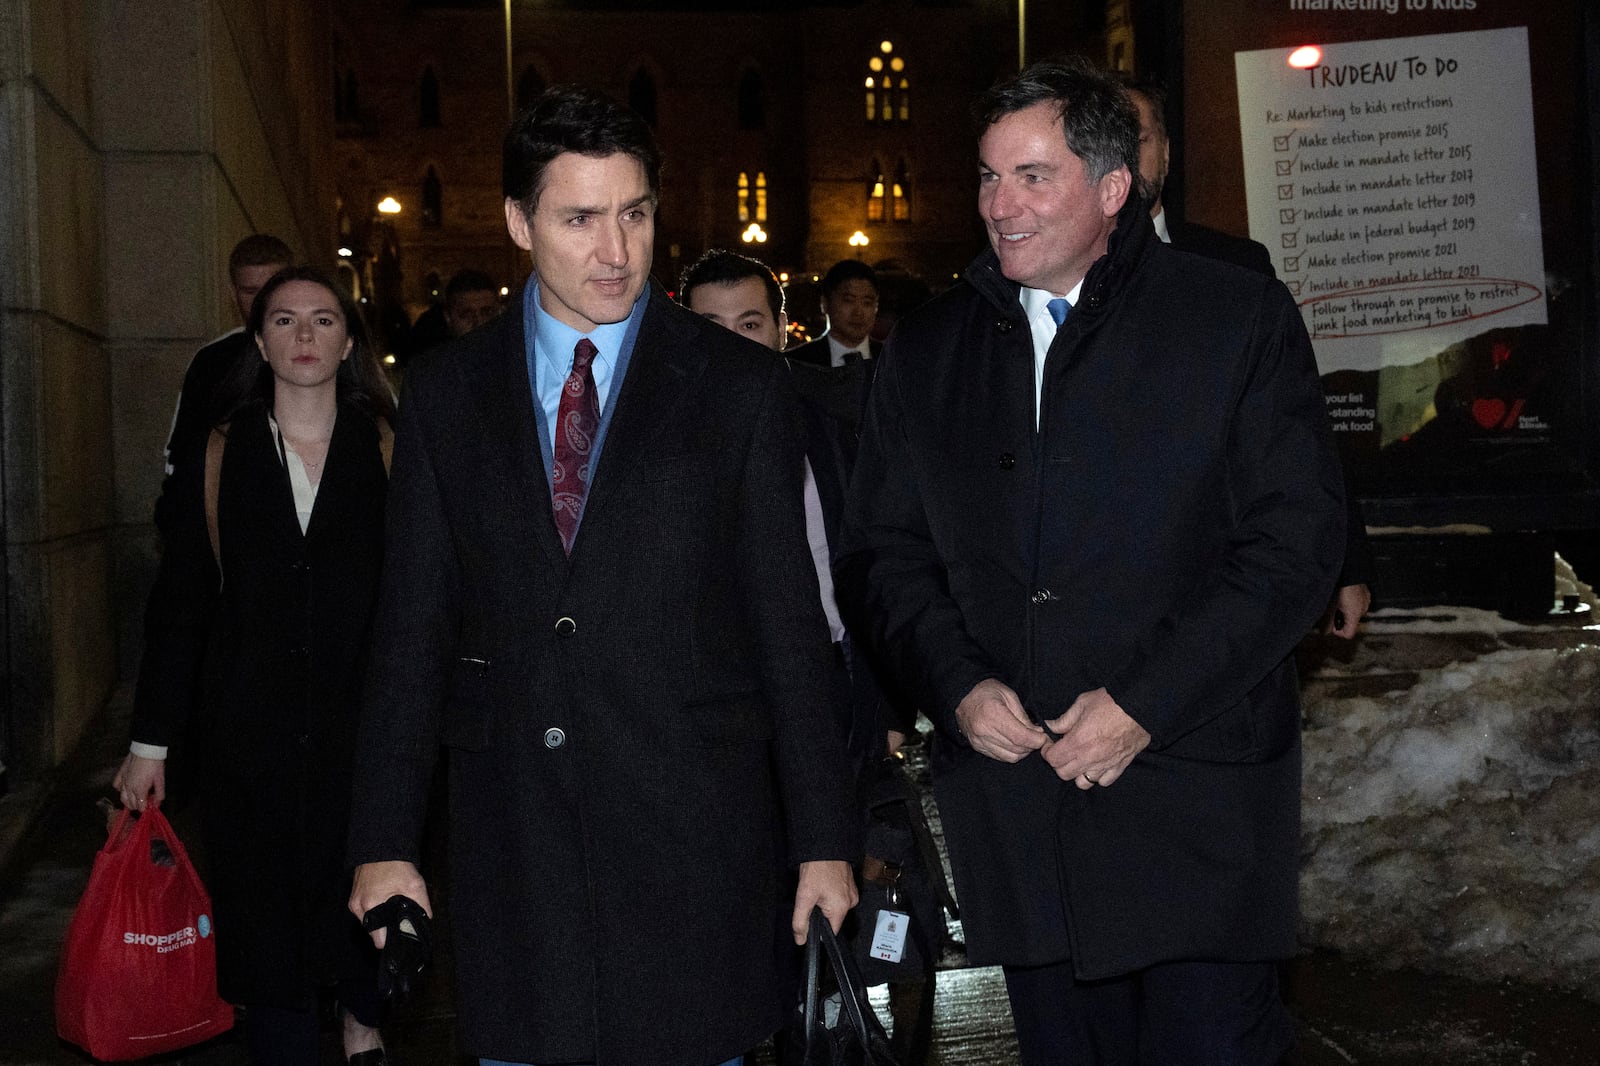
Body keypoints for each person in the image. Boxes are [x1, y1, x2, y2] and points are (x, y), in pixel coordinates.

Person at [837, 58, 1346, 1065]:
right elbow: (882, 551)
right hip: (1019, 806)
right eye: (987, 177)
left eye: (1032, 176)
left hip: (1191, 793)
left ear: (1113, 189)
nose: (999, 205)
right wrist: (956, 681)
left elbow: (1293, 544)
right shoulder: (930, 351)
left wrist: (1144, 702)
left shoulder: (1231, 318)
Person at [345, 86, 858, 1066]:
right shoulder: (447, 397)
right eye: (580, 218)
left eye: (634, 213)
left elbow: (787, 629)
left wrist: (823, 841)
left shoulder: (739, 388)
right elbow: (412, 630)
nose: (616, 251)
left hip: (695, 844)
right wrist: (382, 838)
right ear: (516, 221)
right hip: (516, 851)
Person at [116, 266, 397, 1065]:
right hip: (247, 732)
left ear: (349, 342)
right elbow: (181, 604)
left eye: (322, 320)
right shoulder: (220, 451)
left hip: (360, 725)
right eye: (283, 320)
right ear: (259, 340)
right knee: (263, 916)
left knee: (363, 888)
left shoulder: (386, 449)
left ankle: (362, 1020)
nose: (303, 336)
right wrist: (150, 743)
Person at [1124, 73, 1375, 638]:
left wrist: (1346, 563)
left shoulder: (1236, 270)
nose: (1121, 156)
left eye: (1135, 137)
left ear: (1165, 150)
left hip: (1231, 574)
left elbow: (1299, 425)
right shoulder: (1053, 280)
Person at [156, 234, 293, 536]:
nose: (263, 302)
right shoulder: (212, 362)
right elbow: (183, 459)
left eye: (273, 288)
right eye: (250, 291)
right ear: (233, 294)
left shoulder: (333, 351)